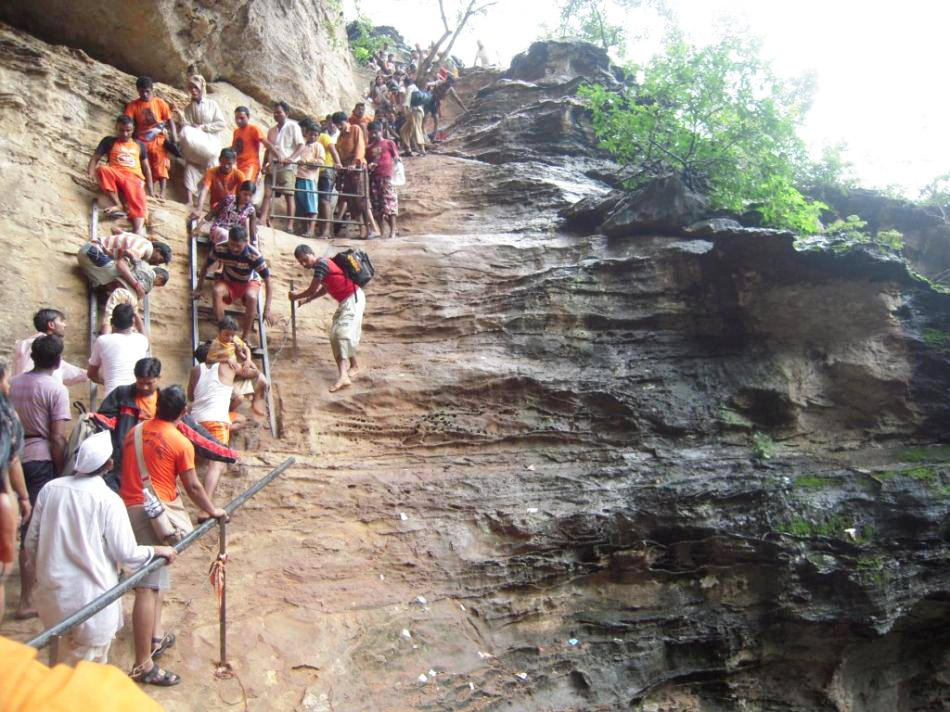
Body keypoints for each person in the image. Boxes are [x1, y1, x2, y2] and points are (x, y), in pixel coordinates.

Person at [25, 430, 177, 666]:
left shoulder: (50, 489)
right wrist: (155, 550)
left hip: (53, 597)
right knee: (86, 674)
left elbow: (31, 542)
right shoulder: (108, 500)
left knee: (59, 663)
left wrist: (43, 573)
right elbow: (126, 553)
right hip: (92, 602)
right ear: (109, 465)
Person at [120, 386, 227, 686]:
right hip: (154, 514)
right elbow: (192, 487)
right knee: (147, 585)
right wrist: (212, 509)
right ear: (183, 413)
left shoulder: (136, 432)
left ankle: (155, 635)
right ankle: (143, 664)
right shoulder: (180, 441)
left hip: (131, 506)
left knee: (159, 573)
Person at [97, 358, 237, 492]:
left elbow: (196, 433)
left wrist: (228, 453)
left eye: (149, 383)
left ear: (159, 377)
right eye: (140, 383)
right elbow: (105, 422)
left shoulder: (167, 403)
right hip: (121, 468)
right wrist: (95, 419)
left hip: (152, 471)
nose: (144, 387)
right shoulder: (122, 395)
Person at [9, 335, 71, 620]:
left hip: (10, 457)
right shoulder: (55, 389)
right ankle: (26, 599)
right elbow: (57, 438)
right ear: (58, 361)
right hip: (39, 459)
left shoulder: (14, 383)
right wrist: (62, 469)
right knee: (34, 531)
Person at [290, 245, 365, 393]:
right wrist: (308, 300)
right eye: (301, 262)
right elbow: (325, 289)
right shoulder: (322, 267)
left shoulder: (321, 264)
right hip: (346, 301)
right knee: (334, 336)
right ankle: (353, 367)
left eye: (305, 259)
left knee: (341, 334)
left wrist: (296, 296)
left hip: (353, 298)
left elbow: (312, 288)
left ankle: (344, 375)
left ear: (312, 254)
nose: (304, 264)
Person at [194, 226, 275, 341]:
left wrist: (267, 309)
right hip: (228, 281)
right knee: (216, 291)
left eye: (238, 246)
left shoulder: (254, 255)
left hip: (249, 282)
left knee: (252, 297)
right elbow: (206, 266)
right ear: (228, 240)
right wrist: (199, 287)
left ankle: (244, 338)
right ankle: (223, 331)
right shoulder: (220, 248)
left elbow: (268, 280)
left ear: (246, 242)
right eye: (232, 244)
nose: (234, 248)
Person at [77, 236, 169, 334]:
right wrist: (137, 286)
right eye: (160, 260)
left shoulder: (140, 245)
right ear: (157, 250)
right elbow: (121, 265)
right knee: (125, 279)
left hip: (91, 255)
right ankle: (111, 293)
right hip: (92, 252)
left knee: (125, 284)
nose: (157, 264)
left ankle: (108, 292)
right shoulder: (145, 247)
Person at [187, 342, 241, 498]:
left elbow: (190, 396)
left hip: (196, 421)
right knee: (216, 465)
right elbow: (251, 373)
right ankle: (206, 505)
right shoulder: (227, 367)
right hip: (217, 421)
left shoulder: (196, 370)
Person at [87, 115, 153, 235]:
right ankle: (117, 204)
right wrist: (90, 173)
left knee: (138, 198)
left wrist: (151, 190)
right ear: (116, 128)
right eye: (121, 130)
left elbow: (147, 168)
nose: (125, 133)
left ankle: (137, 231)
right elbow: (95, 158)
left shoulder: (139, 145)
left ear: (133, 129)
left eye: (128, 130)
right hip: (116, 173)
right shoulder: (109, 141)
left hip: (133, 177)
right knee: (102, 169)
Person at [173, 74, 228, 208]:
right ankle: (190, 201)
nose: (193, 90)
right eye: (190, 88)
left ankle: (211, 204)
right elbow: (188, 127)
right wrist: (181, 117)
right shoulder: (188, 108)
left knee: (212, 172)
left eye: (195, 87)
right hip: (197, 145)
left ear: (202, 87)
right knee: (190, 168)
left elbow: (221, 124)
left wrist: (204, 127)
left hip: (210, 143)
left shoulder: (211, 104)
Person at [124, 76, 178, 200]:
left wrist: (174, 137)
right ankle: (149, 191)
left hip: (158, 138)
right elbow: (128, 122)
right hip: (142, 139)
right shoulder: (133, 106)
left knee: (161, 163)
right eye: (142, 91)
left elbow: (170, 121)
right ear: (138, 90)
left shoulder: (160, 103)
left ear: (152, 90)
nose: (145, 94)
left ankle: (162, 192)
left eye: (147, 91)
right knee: (143, 163)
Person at [206, 317, 268, 418]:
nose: (229, 338)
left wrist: (247, 360)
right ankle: (229, 412)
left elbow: (246, 348)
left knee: (262, 380)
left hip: (236, 369)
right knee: (240, 397)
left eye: (232, 335)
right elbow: (209, 360)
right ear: (219, 331)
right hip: (226, 374)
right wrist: (225, 360)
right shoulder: (216, 344)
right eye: (226, 334)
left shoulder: (234, 339)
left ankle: (255, 404)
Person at [332, 112, 381, 239]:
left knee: (362, 199)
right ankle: (363, 230)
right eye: (337, 125)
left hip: (358, 169)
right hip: (347, 171)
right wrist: (338, 165)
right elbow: (339, 155)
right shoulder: (340, 138)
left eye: (341, 124)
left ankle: (374, 229)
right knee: (352, 202)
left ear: (346, 121)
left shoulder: (355, 129)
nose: (339, 127)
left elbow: (360, 148)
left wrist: (355, 163)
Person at [87, 304, 150, 400]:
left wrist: (106, 381)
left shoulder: (102, 341)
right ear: (132, 322)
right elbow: (143, 332)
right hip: (135, 399)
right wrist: (136, 314)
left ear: (112, 321)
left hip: (112, 397)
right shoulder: (141, 340)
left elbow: (91, 374)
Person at [12, 309, 88, 385]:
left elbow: (65, 368)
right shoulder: (37, 345)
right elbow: (29, 372)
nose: (65, 325)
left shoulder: (30, 344)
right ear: (51, 325)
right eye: (61, 321)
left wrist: (89, 374)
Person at [260, 101, 304, 228]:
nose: (276, 115)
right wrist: (264, 165)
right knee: (267, 193)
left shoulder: (293, 126)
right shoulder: (272, 130)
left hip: (287, 167)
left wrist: (291, 158)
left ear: (287, 113)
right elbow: (268, 149)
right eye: (274, 113)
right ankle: (262, 219)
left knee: (288, 195)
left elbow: (301, 145)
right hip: (272, 166)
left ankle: (290, 224)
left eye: (279, 112)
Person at [288, 118, 326, 237]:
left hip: (310, 178)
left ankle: (311, 230)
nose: (313, 136)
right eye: (311, 134)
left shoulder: (318, 146)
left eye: (315, 134)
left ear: (318, 136)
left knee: (311, 205)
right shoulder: (302, 144)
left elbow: (321, 161)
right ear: (307, 133)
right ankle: (304, 229)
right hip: (298, 177)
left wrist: (307, 161)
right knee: (301, 205)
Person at [190, 148, 246, 222]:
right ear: (219, 160)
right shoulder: (211, 172)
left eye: (229, 163)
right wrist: (199, 209)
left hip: (233, 206)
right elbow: (204, 191)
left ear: (234, 162)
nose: (226, 166)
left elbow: (245, 193)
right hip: (215, 207)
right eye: (223, 162)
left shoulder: (239, 175)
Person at [367, 121, 401, 238]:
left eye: (375, 132)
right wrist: (370, 165)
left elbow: (396, 157)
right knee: (377, 206)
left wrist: (396, 161)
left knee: (390, 203)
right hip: (374, 178)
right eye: (371, 133)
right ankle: (382, 232)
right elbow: (367, 162)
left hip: (387, 176)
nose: (373, 135)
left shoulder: (389, 143)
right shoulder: (369, 148)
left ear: (380, 131)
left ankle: (392, 231)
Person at [208, 179, 258, 246]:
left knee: (246, 240)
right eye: (245, 194)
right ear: (240, 192)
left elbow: (252, 231)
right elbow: (213, 212)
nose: (247, 197)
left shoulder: (251, 210)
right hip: (220, 229)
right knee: (225, 235)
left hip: (235, 235)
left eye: (250, 195)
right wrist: (199, 227)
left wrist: (254, 245)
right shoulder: (229, 199)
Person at [231, 105, 273, 182]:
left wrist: (278, 154)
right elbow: (234, 147)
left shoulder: (253, 129)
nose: (238, 121)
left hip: (251, 165)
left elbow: (266, 143)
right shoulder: (236, 132)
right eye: (236, 118)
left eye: (242, 118)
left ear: (248, 117)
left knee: (246, 186)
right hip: (239, 165)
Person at [424, 75, 467, 141]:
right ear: (447, 80)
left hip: (435, 103)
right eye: (449, 82)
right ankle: (421, 135)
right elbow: (428, 84)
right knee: (424, 118)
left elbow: (457, 100)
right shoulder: (439, 82)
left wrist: (465, 109)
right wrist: (427, 92)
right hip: (429, 100)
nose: (450, 84)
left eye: (452, 83)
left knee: (436, 119)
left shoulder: (450, 89)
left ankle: (433, 138)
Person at [400, 76, 427, 156]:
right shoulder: (415, 87)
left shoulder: (409, 88)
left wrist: (405, 111)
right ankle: (408, 149)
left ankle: (422, 150)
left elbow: (407, 102)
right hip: (416, 112)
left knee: (417, 129)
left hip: (415, 112)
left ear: (406, 83)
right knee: (404, 130)